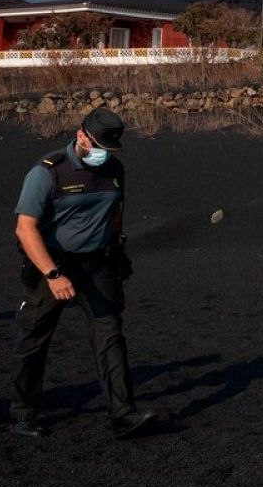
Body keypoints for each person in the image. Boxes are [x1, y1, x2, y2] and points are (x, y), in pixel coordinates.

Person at [9, 107, 157, 439]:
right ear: (81, 137)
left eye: (109, 148)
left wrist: (119, 251)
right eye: (98, 146)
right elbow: (25, 229)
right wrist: (52, 274)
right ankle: (23, 413)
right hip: (54, 264)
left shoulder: (114, 170)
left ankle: (123, 414)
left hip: (98, 264)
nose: (103, 154)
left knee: (110, 337)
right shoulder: (48, 173)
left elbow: (115, 213)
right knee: (33, 339)